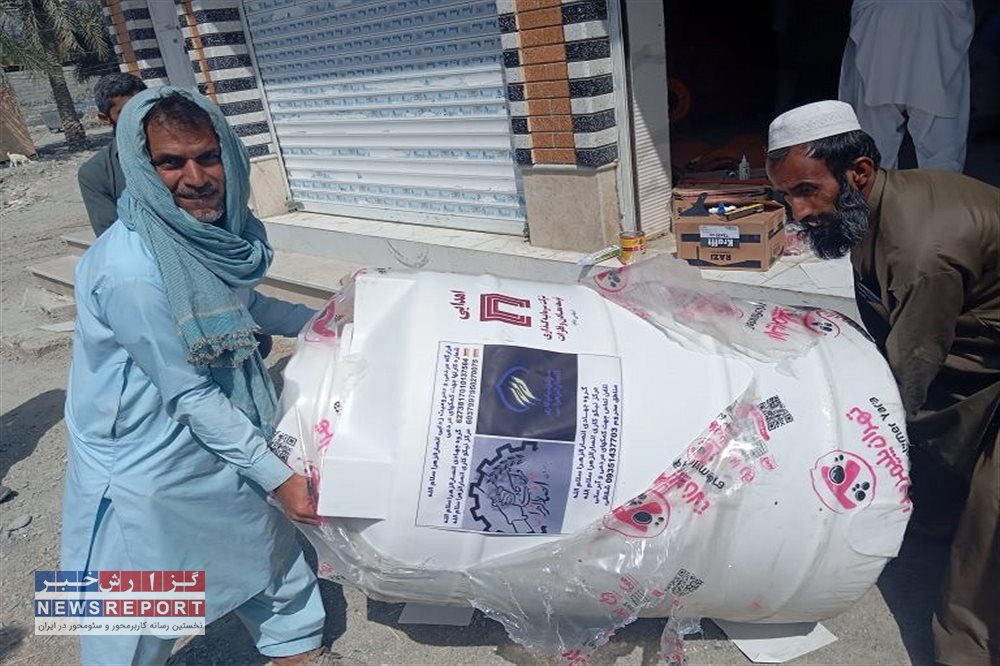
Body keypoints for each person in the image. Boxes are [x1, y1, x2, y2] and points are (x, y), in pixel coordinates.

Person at [61, 86, 338, 666]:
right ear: (141, 166)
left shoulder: (206, 236)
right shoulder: (133, 272)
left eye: (207, 157)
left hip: (220, 425)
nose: (196, 178)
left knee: (263, 545)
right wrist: (277, 476)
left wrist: (330, 320)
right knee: (138, 601)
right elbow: (187, 393)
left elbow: (245, 305)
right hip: (144, 454)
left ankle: (295, 647)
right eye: (171, 162)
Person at [765, 100, 999, 666]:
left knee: (988, 526)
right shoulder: (869, 209)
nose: (797, 212)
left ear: (859, 171)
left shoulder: (921, 250)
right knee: (940, 441)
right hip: (977, 340)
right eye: (786, 196)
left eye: (806, 191)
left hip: (973, 342)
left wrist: (844, 436)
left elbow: (910, 370)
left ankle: (968, 651)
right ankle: (936, 517)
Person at [838, 0, 975, 172]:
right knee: (941, 149)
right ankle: (939, 187)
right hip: (935, 22)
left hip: (881, 21)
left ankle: (877, 187)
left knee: (875, 143)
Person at [78, 72, 146, 237]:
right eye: (125, 112)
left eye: (143, 106)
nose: (139, 116)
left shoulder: (187, 148)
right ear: (105, 118)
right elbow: (112, 236)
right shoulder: (96, 173)